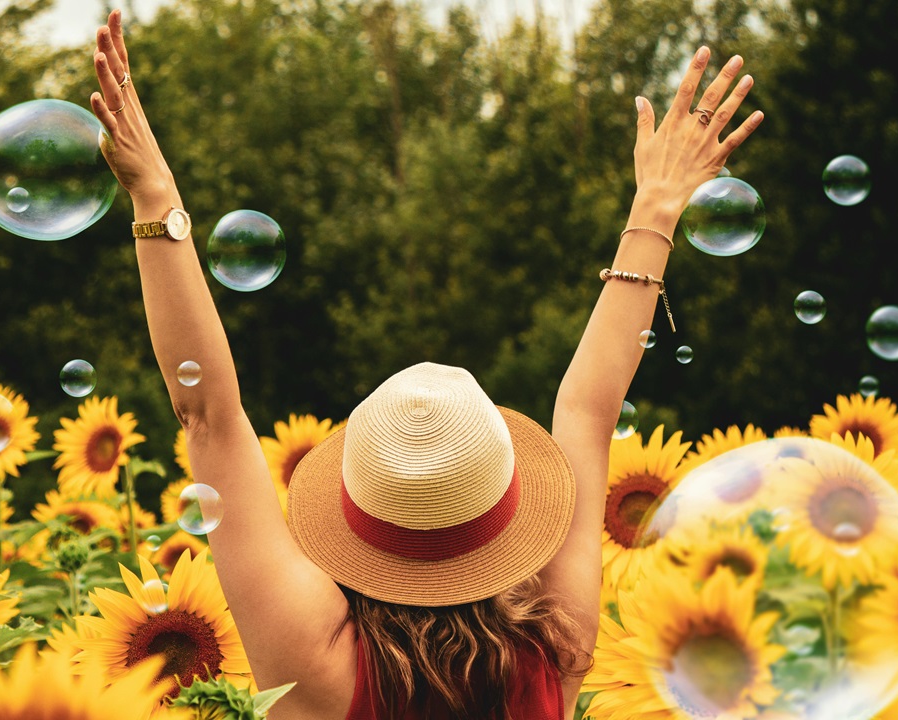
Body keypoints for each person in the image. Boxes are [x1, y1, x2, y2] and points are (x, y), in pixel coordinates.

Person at [87, 9, 762, 719]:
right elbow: (589, 412)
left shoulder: (316, 664)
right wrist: (657, 205)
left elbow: (208, 415)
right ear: (506, 514)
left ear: (357, 512)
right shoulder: (552, 650)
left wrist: (155, 196)